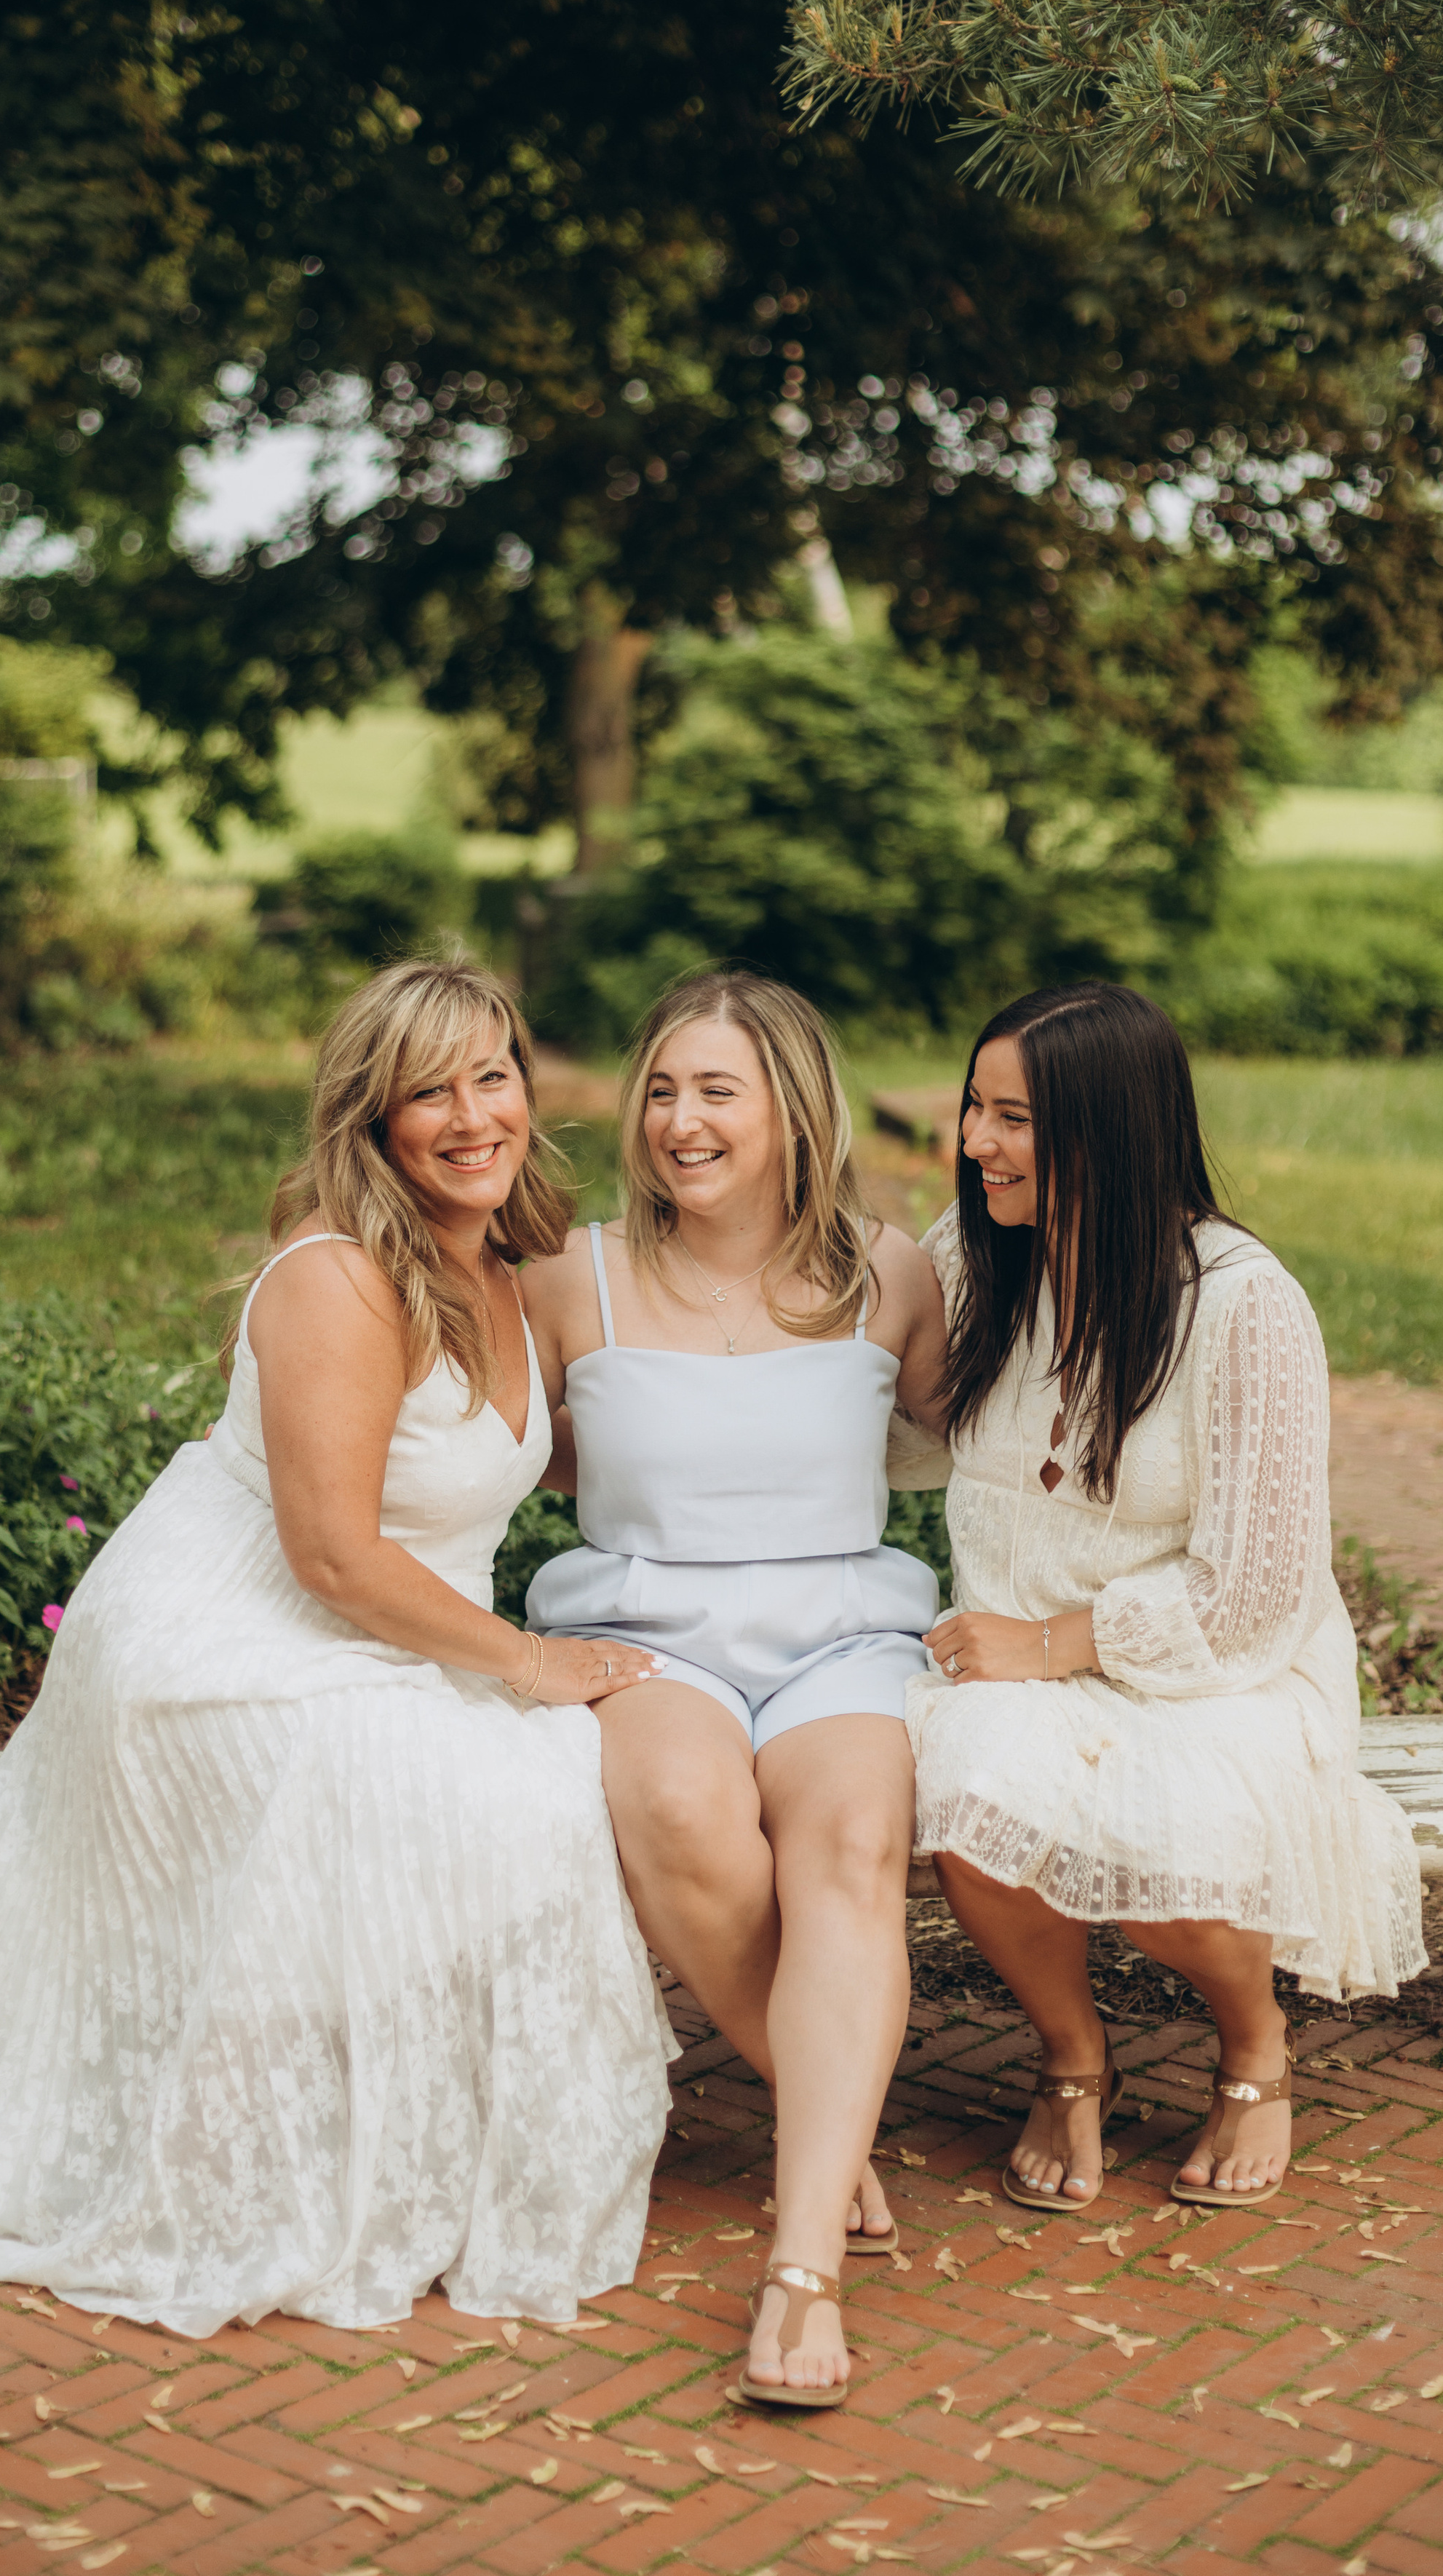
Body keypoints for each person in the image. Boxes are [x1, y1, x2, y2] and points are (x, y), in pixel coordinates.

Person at [0, 959, 672, 2335]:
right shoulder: (339, 1278)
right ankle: (301, 2159)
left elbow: (524, 1465)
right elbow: (332, 1555)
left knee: (527, 1793)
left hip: (388, 1626)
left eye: (493, 1076)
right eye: (429, 1091)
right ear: (371, 1122)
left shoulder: (515, 1268)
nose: (472, 1114)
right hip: (227, 1633)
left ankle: (409, 2136)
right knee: (449, 1783)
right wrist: (532, 1664)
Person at [910, 980, 1425, 2216]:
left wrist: (1052, 1643)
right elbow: (881, 1430)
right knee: (968, 1800)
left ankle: (1253, 2041)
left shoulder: (1243, 1305)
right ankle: (1072, 2056)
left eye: (1013, 1118)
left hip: (1217, 1672)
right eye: (976, 1109)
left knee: (1169, 1854)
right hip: (1016, 1657)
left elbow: (1256, 1592)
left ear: (1114, 1131)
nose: (976, 1143)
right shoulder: (972, 1259)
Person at [522, 972, 947, 2410]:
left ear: (787, 1111)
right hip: (651, 1629)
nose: (678, 1121)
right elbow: (524, 1454)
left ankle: (800, 2264)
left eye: (715, 1092)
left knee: (847, 1847)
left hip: (840, 1628)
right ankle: (827, 2120)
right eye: (659, 1089)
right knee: (680, 1806)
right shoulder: (565, 1277)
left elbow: (979, 1433)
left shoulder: (886, 1271)